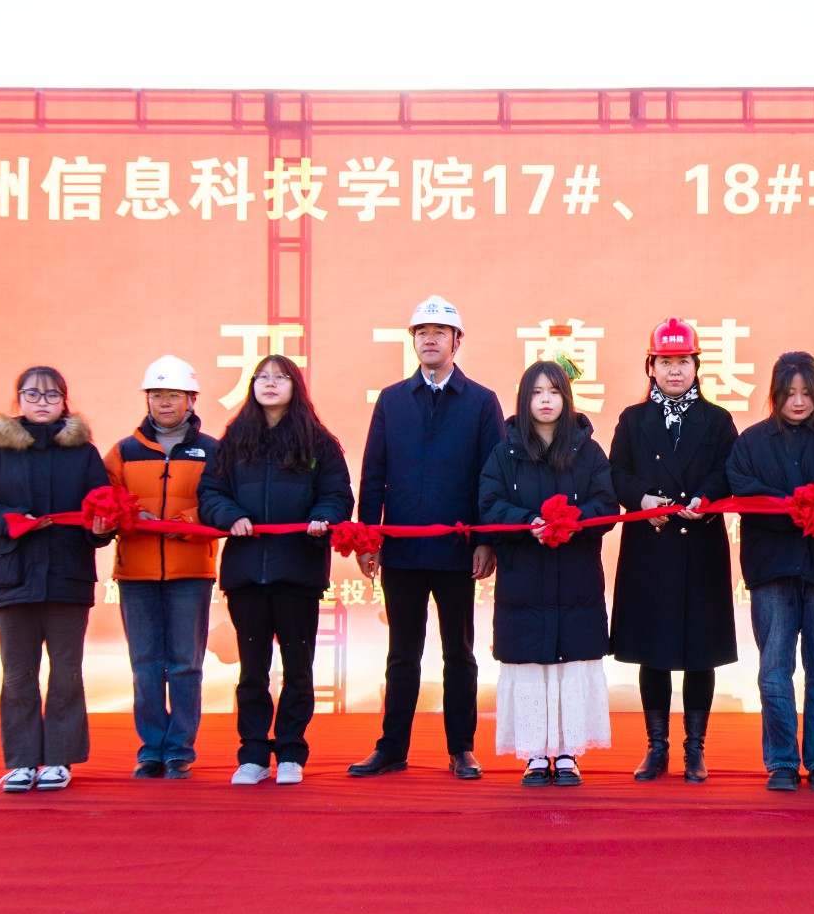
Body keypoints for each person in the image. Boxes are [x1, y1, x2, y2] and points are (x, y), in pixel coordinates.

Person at [351, 295, 507, 781]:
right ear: (413, 341)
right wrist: (368, 537)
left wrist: (487, 539)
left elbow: (494, 477)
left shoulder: (481, 401)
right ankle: (391, 748)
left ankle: (462, 748)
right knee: (402, 653)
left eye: (440, 332)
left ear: (457, 341)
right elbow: (373, 472)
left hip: (458, 551)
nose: (430, 340)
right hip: (401, 550)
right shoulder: (392, 400)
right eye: (422, 332)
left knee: (459, 652)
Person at [198, 355, 354, 786]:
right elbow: (210, 493)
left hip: (297, 572)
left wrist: (324, 517)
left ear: (295, 387)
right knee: (252, 671)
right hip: (246, 574)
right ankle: (252, 754)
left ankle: (290, 751)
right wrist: (229, 515)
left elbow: (338, 495)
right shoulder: (234, 441)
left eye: (280, 378)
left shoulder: (318, 442)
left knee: (298, 668)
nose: (270, 384)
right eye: (262, 378)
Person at [0, 366, 113, 794]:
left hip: (67, 576)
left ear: (64, 400)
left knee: (65, 673)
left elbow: (101, 508)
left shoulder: (84, 453)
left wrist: (101, 529)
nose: (41, 402)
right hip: (12, 577)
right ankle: (22, 762)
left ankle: (60, 760)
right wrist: (10, 520)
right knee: (17, 675)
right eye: (32, 394)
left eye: (51, 395)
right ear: (19, 400)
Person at [726, 352, 814, 793]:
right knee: (774, 670)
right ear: (775, 394)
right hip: (773, 569)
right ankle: (782, 761)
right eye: (789, 393)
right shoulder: (751, 442)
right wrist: (797, 510)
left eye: (807, 393)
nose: (799, 401)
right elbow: (744, 489)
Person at [608, 318, 737, 782]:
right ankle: (657, 746)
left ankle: (694, 749)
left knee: (701, 649)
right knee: (654, 647)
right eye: (666, 362)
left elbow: (729, 471)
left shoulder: (718, 420)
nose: (675, 370)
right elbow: (615, 473)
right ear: (651, 366)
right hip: (651, 546)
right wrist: (641, 500)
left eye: (683, 361)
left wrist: (706, 498)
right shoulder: (632, 419)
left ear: (697, 366)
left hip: (700, 545)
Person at [479, 359, 619, 786]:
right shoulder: (504, 453)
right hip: (523, 577)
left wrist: (574, 520)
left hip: (576, 577)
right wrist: (527, 523)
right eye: (537, 392)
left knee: (570, 664)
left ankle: (568, 752)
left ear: (566, 398)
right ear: (524, 399)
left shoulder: (588, 451)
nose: (546, 400)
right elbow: (489, 505)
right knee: (530, 664)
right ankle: (536, 754)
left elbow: (606, 504)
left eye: (554, 392)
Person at [104, 354, 219, 780]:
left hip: (191, 572)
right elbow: (106, 499)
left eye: (173, 394)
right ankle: (151, 749)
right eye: (156, 394)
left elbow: (221, 502)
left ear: (191, 400)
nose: (164, 402)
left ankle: (179, 750)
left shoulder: (213, 451)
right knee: (145, 664)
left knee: (186, 663)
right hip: (136, 572)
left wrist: (184, 524)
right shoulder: (123, 451)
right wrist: (130, 516)